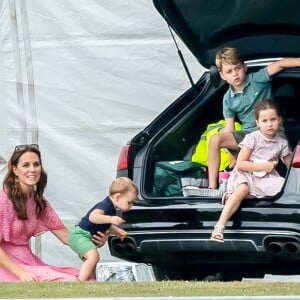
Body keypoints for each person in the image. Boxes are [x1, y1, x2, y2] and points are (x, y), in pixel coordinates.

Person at [0, 144, 107, 282]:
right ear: (15, 170)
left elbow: (67, 237)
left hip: (29, 262)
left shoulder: (39, 201)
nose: (32, 169)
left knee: (87, 278)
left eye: (36, 164)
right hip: (8, 266)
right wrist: (20, 274)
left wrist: (91, 241)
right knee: (71, 281)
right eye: (26, 165)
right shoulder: (3, 201)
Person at [208, 47, 300, 189]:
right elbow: (229, 129)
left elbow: (280, 64)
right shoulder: (227, 99)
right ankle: (212, 187)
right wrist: (231, 155)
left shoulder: (258, 79)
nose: (235, 74)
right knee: (215, 139)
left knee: (285, 152)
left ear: (244, 67)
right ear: (222, 75)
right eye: (229, 71)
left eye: (237, 68)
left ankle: (295, 186)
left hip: (271, 130)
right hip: (248, 136)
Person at [210, 99, 292, 242]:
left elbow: (291, 166)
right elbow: (241, 164)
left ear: (280, 120)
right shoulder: (252, 138)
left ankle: (231, 197)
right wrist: (264, 166)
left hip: (267, 177)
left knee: (283, 189)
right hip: (247, 173)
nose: (269, 124)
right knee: (243, 188)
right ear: (257, 123)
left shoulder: (282, 143)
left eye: (273, 119)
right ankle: (219, 226)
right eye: (264, 120)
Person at [68, 177, 138, 281]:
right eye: (129, 202)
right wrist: (111, 218)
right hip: (80, 235)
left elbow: (106, 224)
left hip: (84, 237)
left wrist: (118, 232)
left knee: (91, 262)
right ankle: (79, 281)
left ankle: (91, 281)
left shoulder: (111, 208)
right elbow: (93, 217)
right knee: (94, 257)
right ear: (118, 197)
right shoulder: (105, 205)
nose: (131, 206)